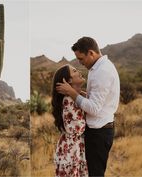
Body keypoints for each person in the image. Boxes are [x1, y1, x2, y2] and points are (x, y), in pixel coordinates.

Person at [56, 37, 120, 176]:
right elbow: (94, 99)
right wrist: (78, 93)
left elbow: (94, 108)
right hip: (98, 131)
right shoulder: (97, 68)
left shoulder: (102, 72)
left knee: (95, 173)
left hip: (99, 133)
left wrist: (72, 92)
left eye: (81, 58)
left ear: (91, 53)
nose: (80, 63)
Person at [52, 65, 88, 177]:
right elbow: (79, 127)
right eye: (75, 70)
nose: (79, 71)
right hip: (71, 150)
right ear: (69, 81)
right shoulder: (68, 100)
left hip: (75, 148)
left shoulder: (76, 97)